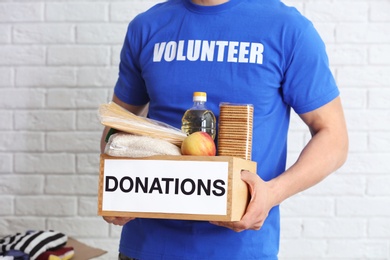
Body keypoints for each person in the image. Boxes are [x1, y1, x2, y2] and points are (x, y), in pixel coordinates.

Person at [100, 0, 349, 259]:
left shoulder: (288, 28)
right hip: (146, 247)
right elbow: (115, 131)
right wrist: (114, 187)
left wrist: (272, 193)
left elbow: (334, 138)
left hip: (240, 249)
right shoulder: (147, 26)